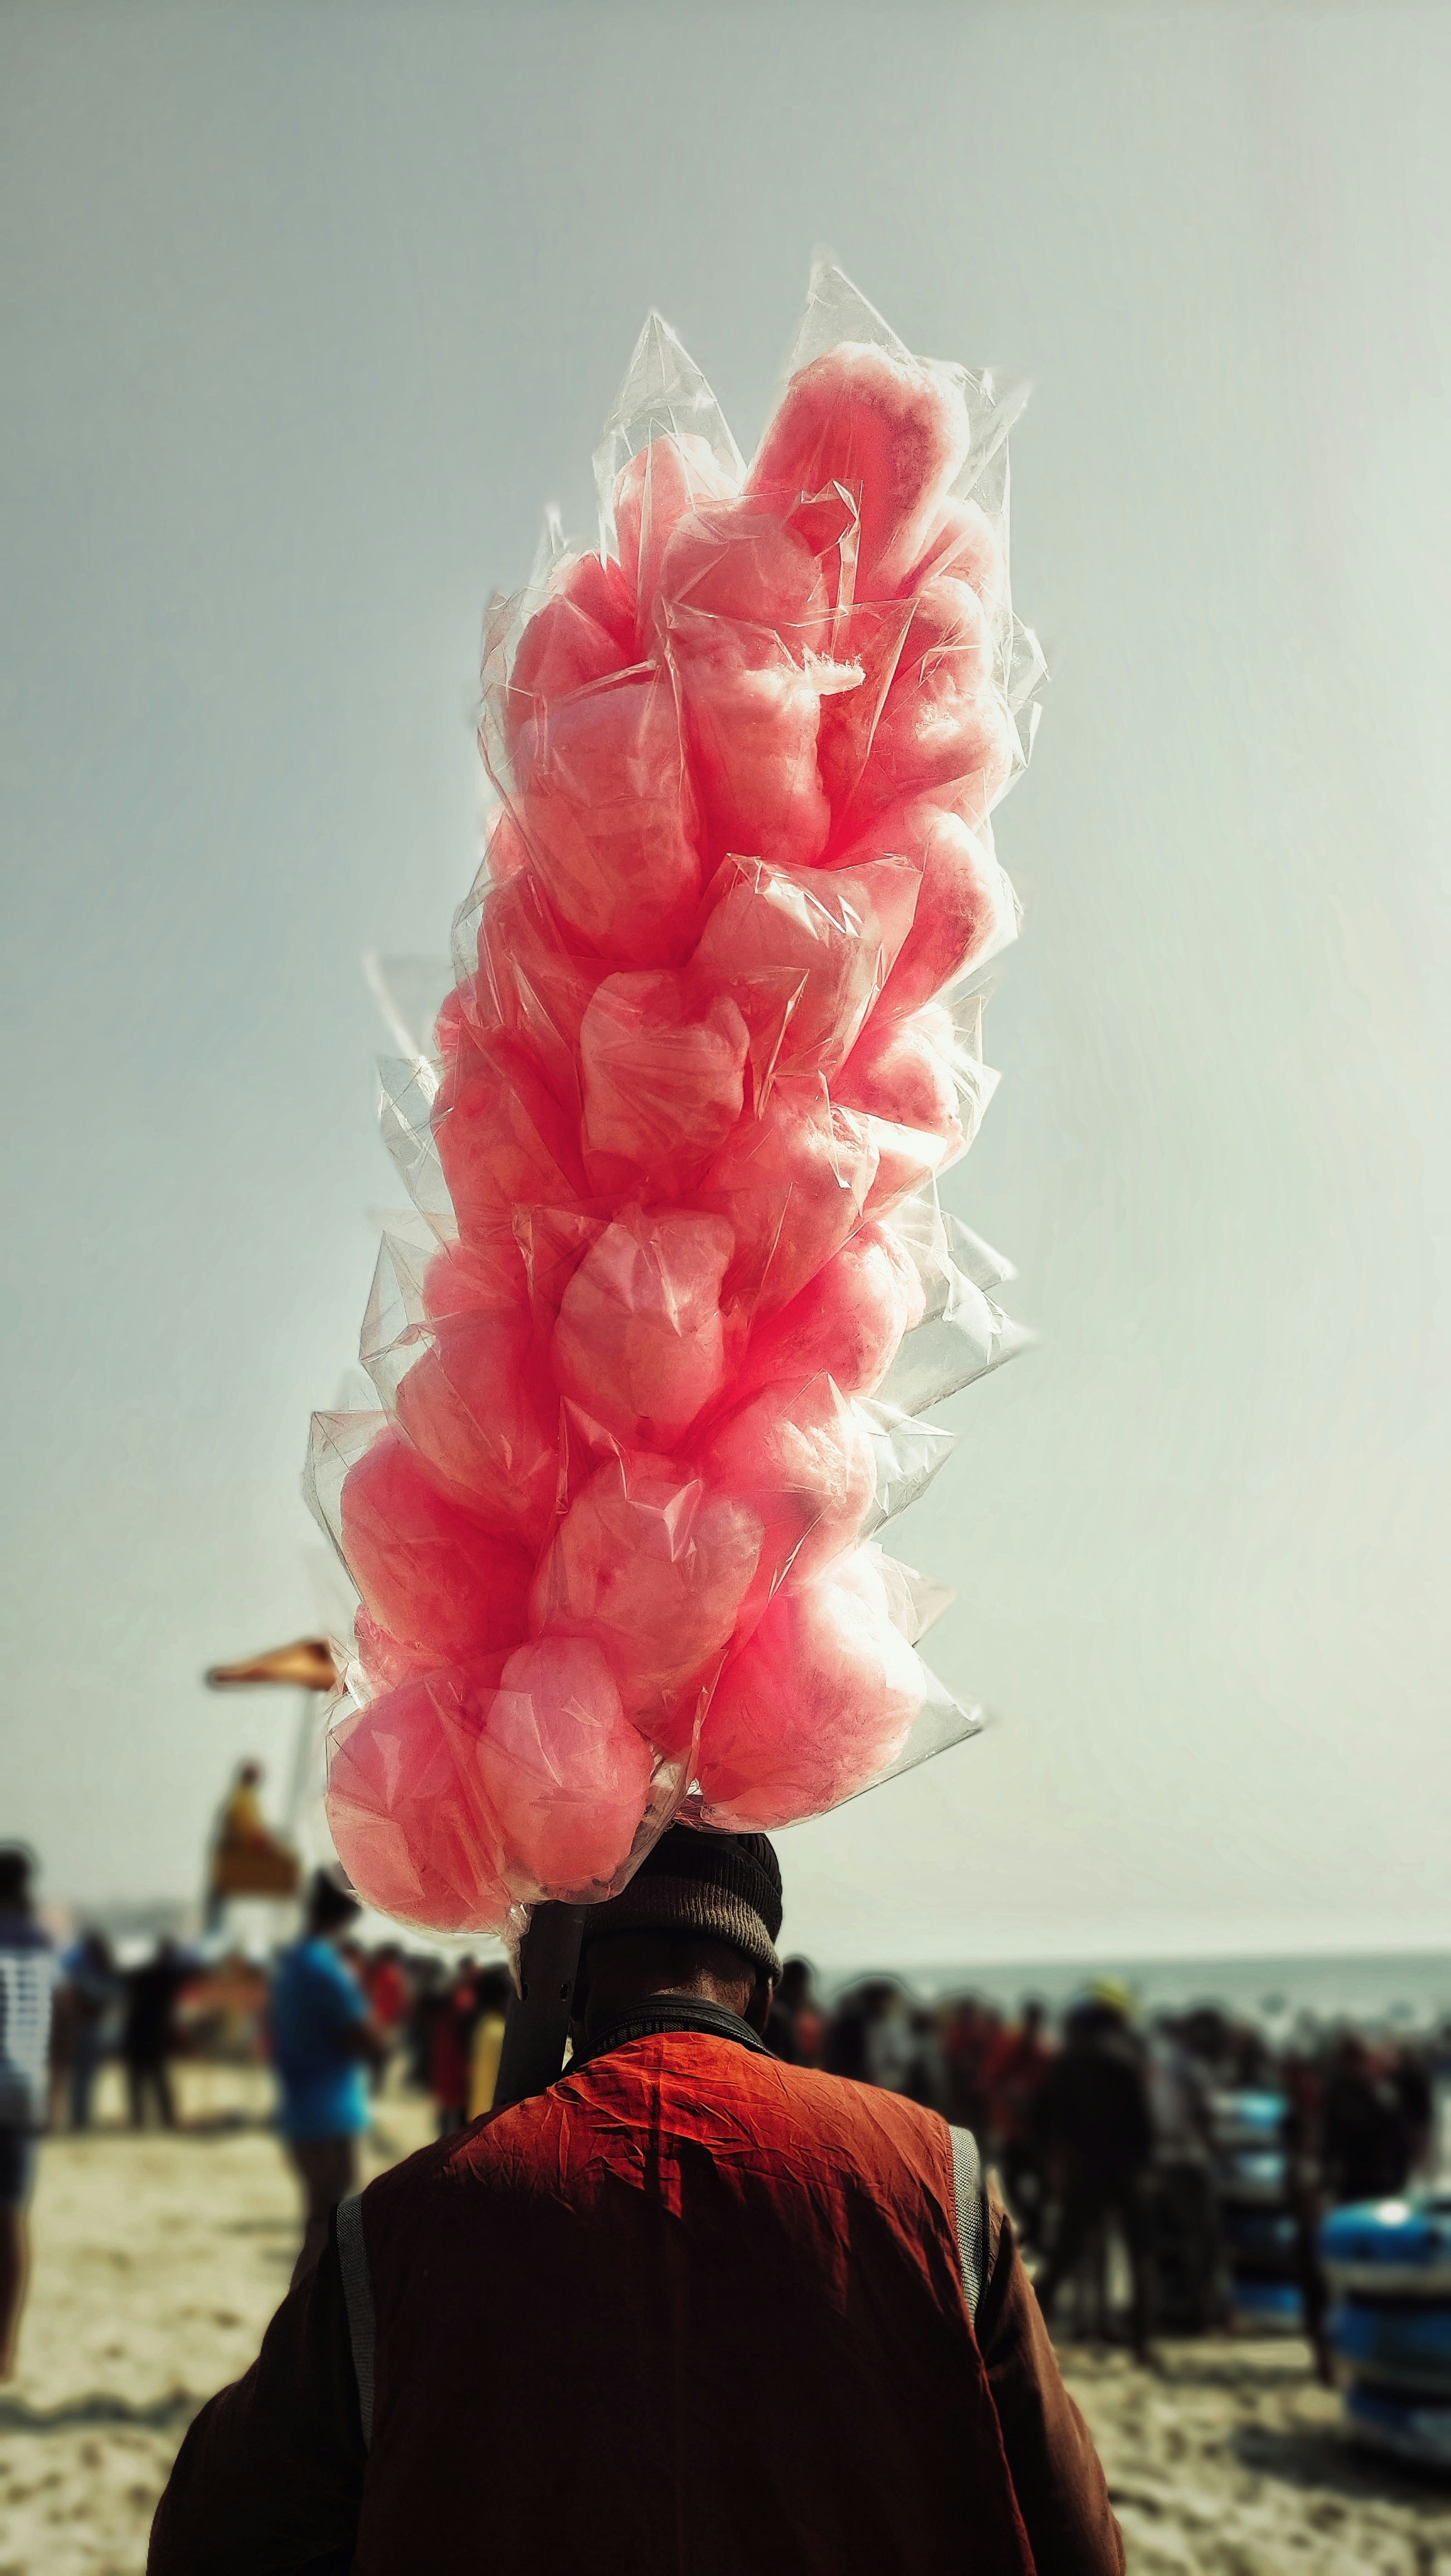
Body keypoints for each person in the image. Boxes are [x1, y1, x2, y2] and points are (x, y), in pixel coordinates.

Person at [149, 1826, 1124, 2574]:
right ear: (766, 1993)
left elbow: (215, 2538)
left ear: (565, 1987)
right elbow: (1080, 2544)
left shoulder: (397, 2222)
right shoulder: (935, 2176)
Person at [268, 1871, 384, 2282]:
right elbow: (368, 2040)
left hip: (301, 2113)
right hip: (329, 2116)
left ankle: (305, 2318)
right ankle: (302, 2325)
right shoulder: (326, 1971)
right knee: (328, 2228)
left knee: (321, 2222)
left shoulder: (295, 1963)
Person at [1033, 1992, 1156, 2362]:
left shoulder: (1068, 2062)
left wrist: (1055, 2162)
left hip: (1084, 2167)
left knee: (1064, 2254)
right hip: (1127, 2168)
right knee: (1140, 2255)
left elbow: (1043, 2118)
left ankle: (1029, 2328)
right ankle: (1141, 2342)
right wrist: (1147, 2166)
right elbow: (1143, 2122)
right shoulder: (1125, 2059)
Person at [0, 1847, 57, 2380]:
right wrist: (57, 2091)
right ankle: (6, 2350)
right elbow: (63, 2015)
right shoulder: (41, 1942)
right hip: (26, 2096)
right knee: (13, 2221)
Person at [123, 1936, 191, 2129]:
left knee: (138, 2078)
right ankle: (165, 2118)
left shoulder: (142, 1973)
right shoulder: (169, 1977)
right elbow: (192, 1970)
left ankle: (138, 2118)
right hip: (154, 2032)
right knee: (157, 2077)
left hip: (137, 2030)